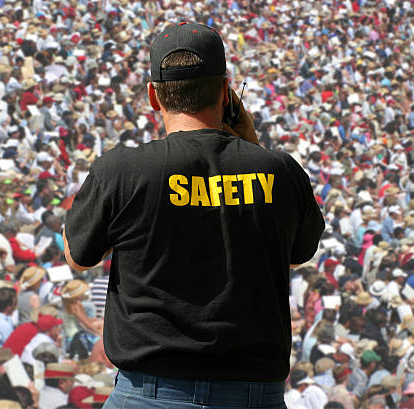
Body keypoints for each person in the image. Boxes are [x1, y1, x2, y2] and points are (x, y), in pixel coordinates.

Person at [63, 22, 324, 408]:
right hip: (254, 396)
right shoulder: (280, 171)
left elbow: (78, 257)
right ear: (225, 91)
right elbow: (299, 252)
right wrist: (251, 147)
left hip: (147, 394)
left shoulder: (120, 171)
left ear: (154, 96)